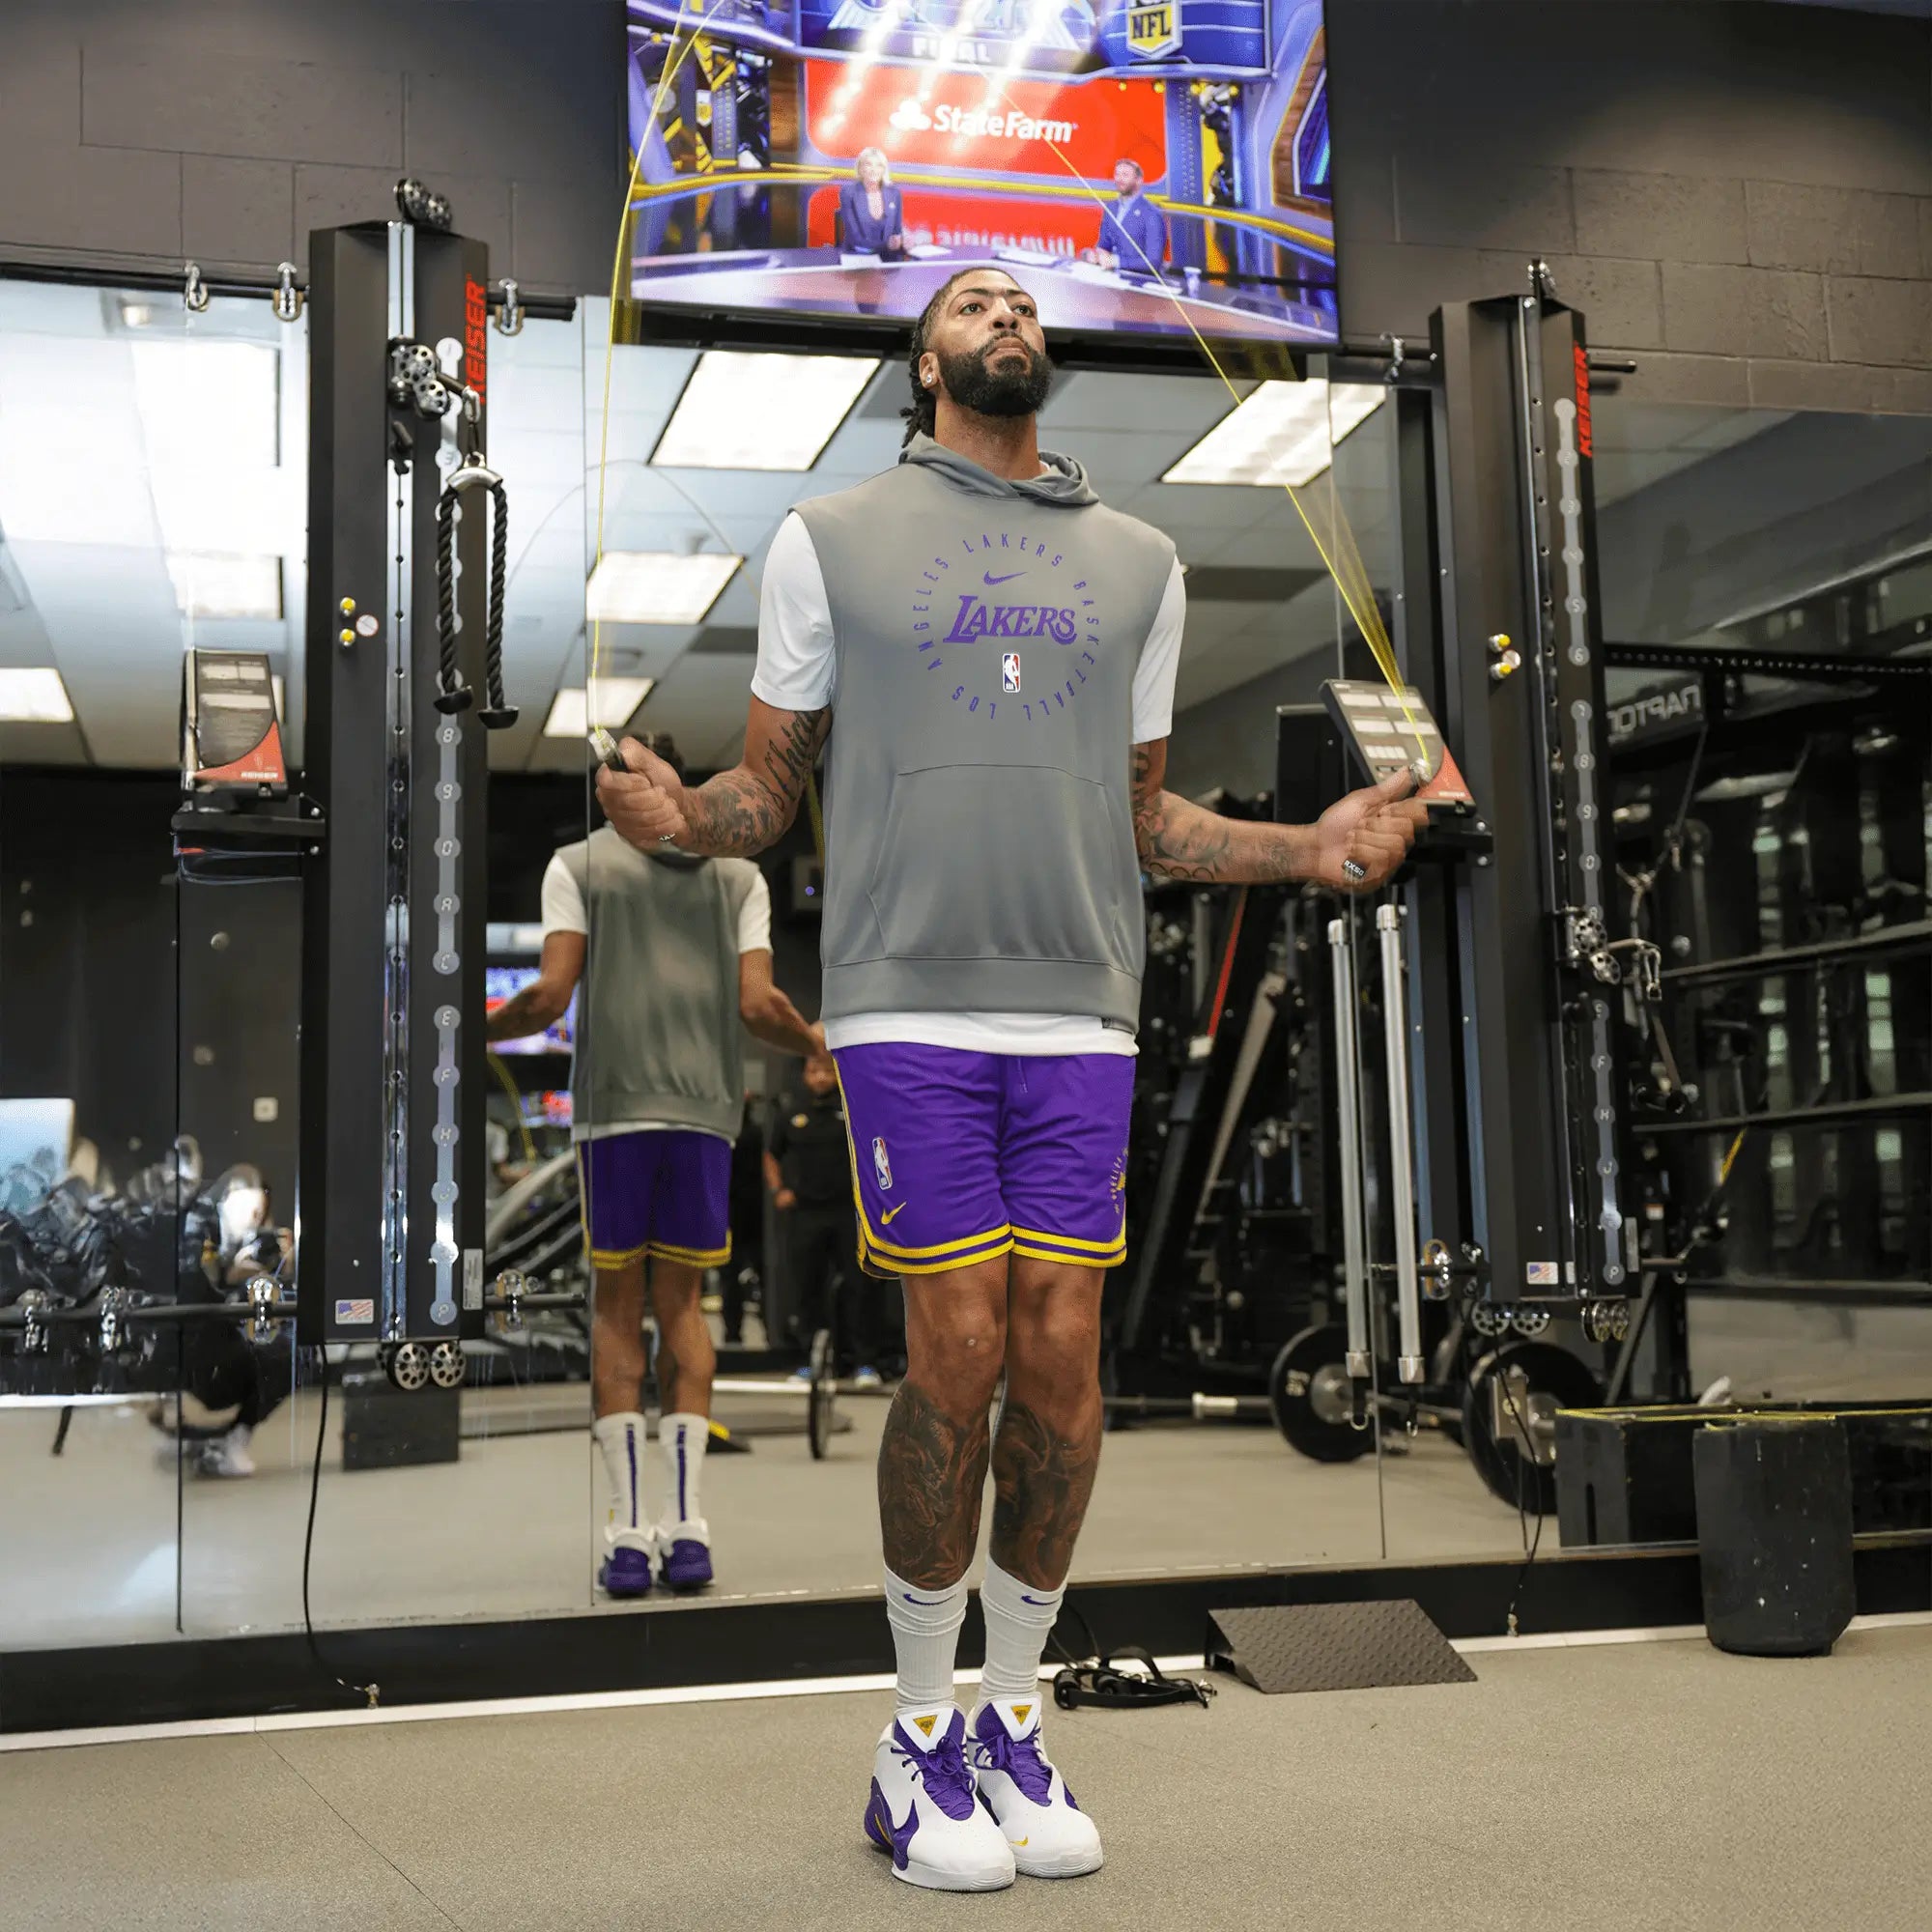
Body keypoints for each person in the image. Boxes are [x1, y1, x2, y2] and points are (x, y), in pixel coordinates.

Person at [594, 267, 1425, 1889]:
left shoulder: (1144, 564)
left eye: (1027, 299)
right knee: (958, 1345)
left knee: (1061, 1356)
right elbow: (771, 786)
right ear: (926, 361)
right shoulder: (831, 538)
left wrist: (1306, 850)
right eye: (975, 300)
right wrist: (691, 823)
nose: (1008, 311)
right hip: (908, 1001)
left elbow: (1146, 821)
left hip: (1081, 1012)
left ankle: (1013, 1715)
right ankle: (913, 1736)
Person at [489, 736, 821, 1598]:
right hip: (706, 1116)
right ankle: (690, 1533)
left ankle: (630, 1539)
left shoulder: (577, 866)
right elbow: (760, 1007)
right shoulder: (740, 877)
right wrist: (822, 1043)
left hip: (614, 1116)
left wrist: (458, 1029)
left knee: (617, 1310)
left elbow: (548, 998)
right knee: (684, 1310)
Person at [766, 1050, 882, 1383]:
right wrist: (779, 1191)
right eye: (813, 1070)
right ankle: (809, 1362)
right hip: (806, 1212)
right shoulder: (792, 1113)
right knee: (806, 1287)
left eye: (826, 1071)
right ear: (804, 1074)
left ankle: (864, 1363)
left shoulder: (852, 1108)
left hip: (849, 1212)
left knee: (860, 1287)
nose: (820, 1077)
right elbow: (772, 1156)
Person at [1082, 157, 1167, 275]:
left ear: (1139, 180)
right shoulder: (1110, 208)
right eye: (1117, 174)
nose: (1119, 179)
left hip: (1139, 283)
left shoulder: (1152, 214)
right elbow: (1104, 244)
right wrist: (1097, 255)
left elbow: (1154, 262)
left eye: (1125, 175)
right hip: (1111, 277)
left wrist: (1115, 261)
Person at [838, 149, 906, 260]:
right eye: (868, 164)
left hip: (887, 258)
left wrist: (901, 241)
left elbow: (897, 231)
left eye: (879, 165)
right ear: (860, 168)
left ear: (884, 170)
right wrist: (886, 246)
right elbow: (854, 237)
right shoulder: (849, 193)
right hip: (858, 257)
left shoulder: (894, 193)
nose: (874, 170)